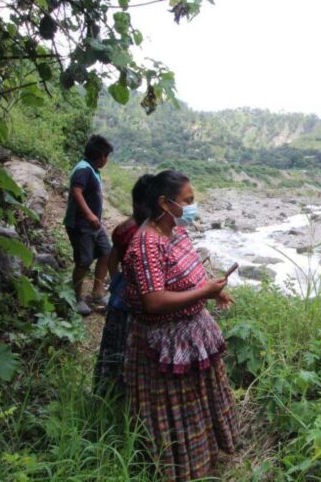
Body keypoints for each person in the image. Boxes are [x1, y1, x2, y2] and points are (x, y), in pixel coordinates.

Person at [122, 170, 237, 481]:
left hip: (192, 338)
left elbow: (190, 271)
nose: (192, 206)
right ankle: (179, 470)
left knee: (198, 404)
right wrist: (204, 293)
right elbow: (154, 301)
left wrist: (213, 290)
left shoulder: (177, 232)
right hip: (165, 347)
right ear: (164, 203)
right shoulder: (147, 244)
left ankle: (206, 459)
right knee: (177, 411)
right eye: (188, 201)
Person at [94, 174, 154, 395]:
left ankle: (108, 391)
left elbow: (113, 261)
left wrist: (118, 282)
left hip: (120, 299)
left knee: (114, 348)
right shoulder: (148, 234)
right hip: (140, 305)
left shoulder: (122, 229)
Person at [63, 135, 114, 316]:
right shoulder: (83, 169)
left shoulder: (92, 170)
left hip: (94, 225)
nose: (107, 160)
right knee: (84, 261)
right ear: (101, 156)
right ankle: (76, 298)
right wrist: (89, 214)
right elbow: (76, 191)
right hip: (81, 224)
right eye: (107, 156)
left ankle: (97, 293)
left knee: (107, 252)